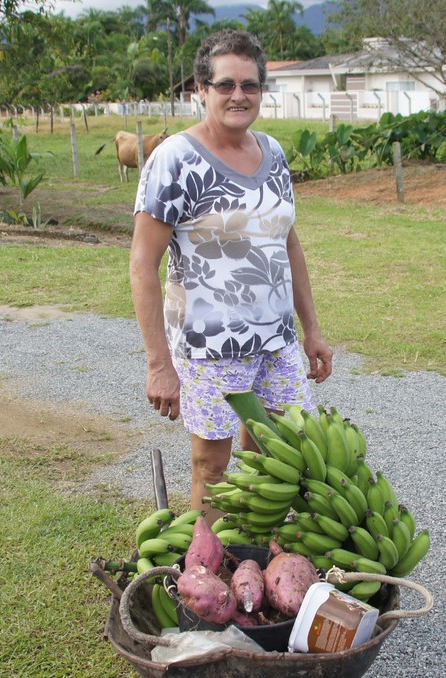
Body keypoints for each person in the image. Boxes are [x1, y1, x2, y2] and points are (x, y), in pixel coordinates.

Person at [129, 29, 333, 511]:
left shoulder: (273, 153)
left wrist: (312, 330)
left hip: (276, 343)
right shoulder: (175, 160)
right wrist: (159, 365)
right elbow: (142, 265)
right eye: (225, 85)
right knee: (213, 468)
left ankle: (256, 559)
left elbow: (287, 243)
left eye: (250, 85)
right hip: (210, 349)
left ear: (262, 91)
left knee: (277, 457)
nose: (238, 95)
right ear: (201, 90)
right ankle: (207, 570)